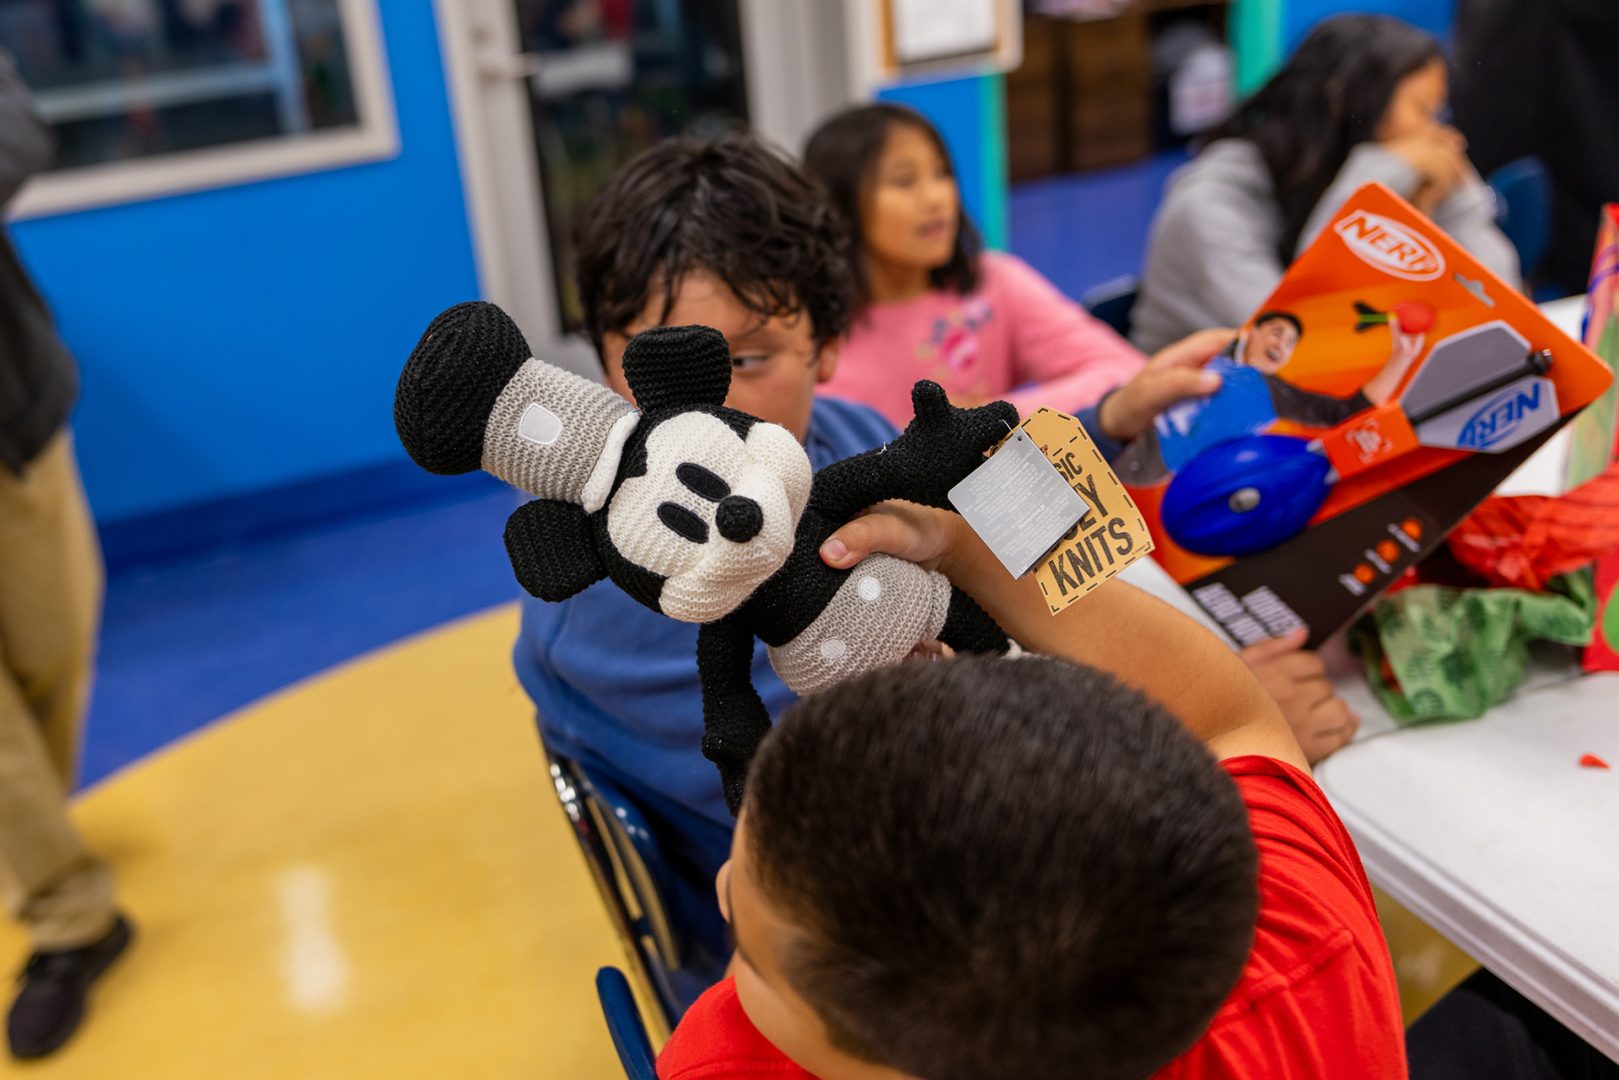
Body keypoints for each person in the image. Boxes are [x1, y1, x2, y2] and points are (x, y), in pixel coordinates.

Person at [514, 132, 1360, 1000]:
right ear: (604, 365)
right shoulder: (624, 593)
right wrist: (1215, 721)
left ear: (828, 347)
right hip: (837, 960)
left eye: (749, 358)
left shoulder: (832, 435)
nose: (709, 407)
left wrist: (1113, 418)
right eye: (657, 364)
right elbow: (943, 799)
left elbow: (976, 508)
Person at [656, 497, 1409, 1078]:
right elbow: (1229, 718)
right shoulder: (1302, 944)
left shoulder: (725, 1063)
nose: (724, 883)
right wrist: (962, 546)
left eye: (750, 955)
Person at [0, 50, 133, 1061]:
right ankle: (69, 916)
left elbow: (15, 131)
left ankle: (30, 833)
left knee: (54, 648)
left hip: (12, 421)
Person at [1132, 14, 1521, 355]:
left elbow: (1503, 301)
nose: (1432, 134)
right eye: (1421, 110)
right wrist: (1376, 176)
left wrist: (1455, 194)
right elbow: (1306, 344)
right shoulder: (1209, 206)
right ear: (1341, 101)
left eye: (1438, 113)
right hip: (1193, 415)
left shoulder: (1374, 169)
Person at [802, 103, 1145, 428]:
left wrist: (987, 418)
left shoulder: (993, 281)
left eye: (942, 173)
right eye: (904, 181)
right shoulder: (807, 334)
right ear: (839, 206)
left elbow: (1126, 371)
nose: (937, 197)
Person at [1114, 308, 1426, 487]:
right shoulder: (1220, 350)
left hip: (1150, 462)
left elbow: (1347, 413)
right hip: (1128, 425)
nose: (1282, 343)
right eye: (1277, 332)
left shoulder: (1274, 393)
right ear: (1254, 332)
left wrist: (1401, 357)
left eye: (1290, 342)